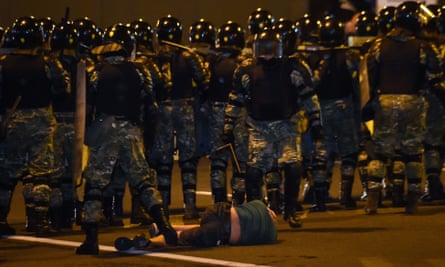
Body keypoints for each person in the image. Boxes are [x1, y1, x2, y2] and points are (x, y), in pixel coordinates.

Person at [75, 23, 176, 255]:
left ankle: (91, 238)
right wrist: (147, 137)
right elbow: (150, 106)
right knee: (143, 181)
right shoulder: (141, 72)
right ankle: (165, 225)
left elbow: (86, 107)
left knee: (95, 185)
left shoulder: (96, 73)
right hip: (132, 130)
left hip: (105, 128)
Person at [222, 28, 322, 228]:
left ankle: (291, 210)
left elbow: (308, 96)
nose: (266, 53)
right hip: (259, 127)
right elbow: (235, 99)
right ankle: (254, 215)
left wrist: (317, 122)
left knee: (293, 167)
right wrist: (228, 126)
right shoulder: (246, 70)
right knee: (253, 172)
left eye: (270, 48)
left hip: (287, 126)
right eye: (263, 48)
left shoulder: (293, 67)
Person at [364, 1, 445, 215]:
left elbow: (371, 77)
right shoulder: (424, 47)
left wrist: (370, 104)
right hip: (413, 101)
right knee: (412, 153)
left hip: (385, 101)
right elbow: (434, 79)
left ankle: (372, 200)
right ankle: (412, 201)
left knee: (380, 153)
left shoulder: (378, 45)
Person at [0, 16, 71, 236]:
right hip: (41, 123)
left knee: (6, 175)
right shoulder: (48, 63)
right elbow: (63, 89)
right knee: (41, 174)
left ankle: (1, 218)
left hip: (10, 122)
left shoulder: (3, 63)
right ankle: (39, 220)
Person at [151, 15, 210, 220]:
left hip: (163, 110)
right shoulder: (188, 56)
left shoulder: (154, 57)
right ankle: (190, 206)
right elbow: (204, 81)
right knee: (188, 159)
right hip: (185, 109)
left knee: (164, 161)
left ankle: (164, 207)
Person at [115, 200, 277, 249]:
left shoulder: (260, 206)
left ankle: (165, 227)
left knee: (203, 228)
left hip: (218, 211)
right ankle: (150, 242)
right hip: (221, 230)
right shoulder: (269, 235)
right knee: (183, 238)